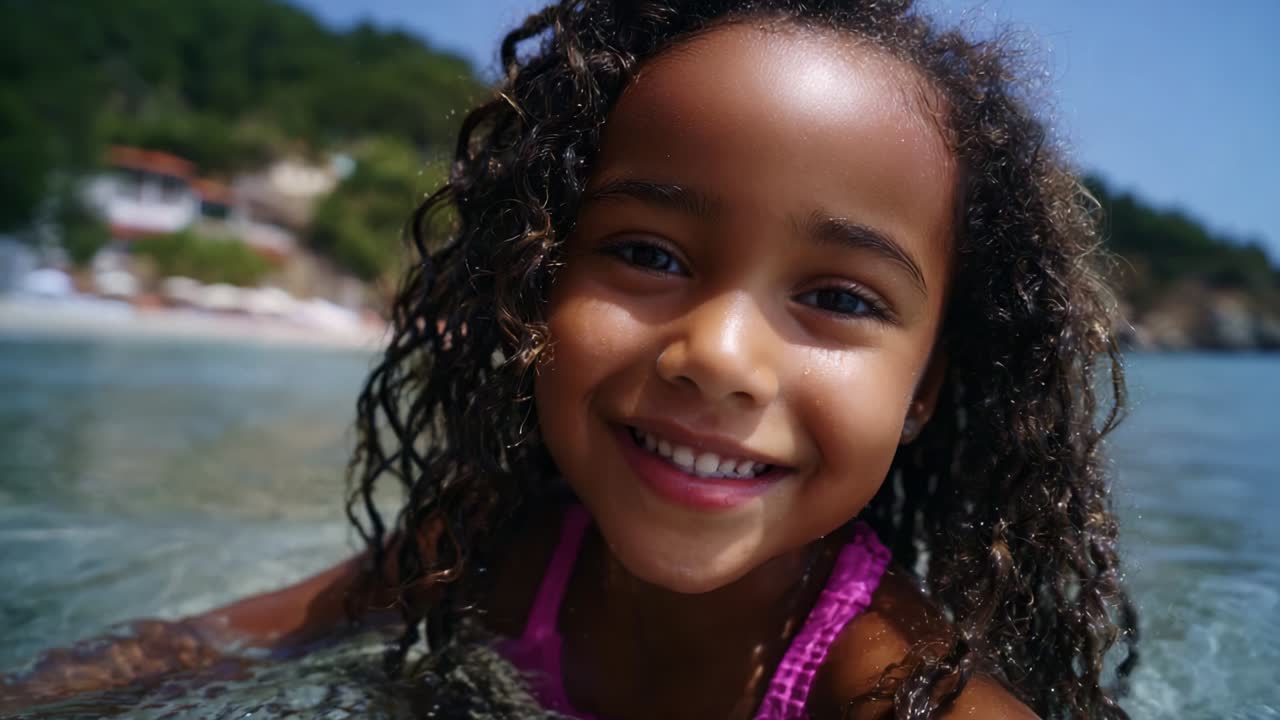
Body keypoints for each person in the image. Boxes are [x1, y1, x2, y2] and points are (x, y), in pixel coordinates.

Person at [3, 0, 1140, 718]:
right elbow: (190, 649)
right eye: (646, 252)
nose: (718, 357)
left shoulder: (896, 691)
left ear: (924, 389)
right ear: (536, 286)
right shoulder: (490, 555)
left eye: (838, 297)